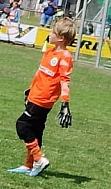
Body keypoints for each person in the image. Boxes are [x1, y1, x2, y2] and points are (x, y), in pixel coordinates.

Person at [8, 14, 75, 177]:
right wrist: (30, 90)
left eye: (53, 32)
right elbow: (40, 74)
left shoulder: (65, 57)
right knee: (36, 130)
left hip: (43, 100)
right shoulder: (49, 52)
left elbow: (65, 81)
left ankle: (39, 159)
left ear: (61, 38)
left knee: (22, 125)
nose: (49, 34)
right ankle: (29, 165)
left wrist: (65, 103)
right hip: (35, 95)